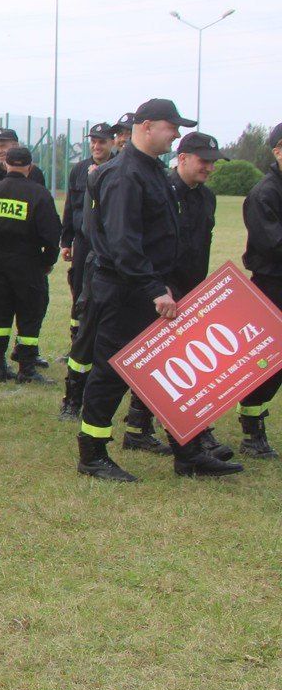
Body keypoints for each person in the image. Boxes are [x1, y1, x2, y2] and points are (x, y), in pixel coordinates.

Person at [74, 99, 240, 481]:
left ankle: (189, 452)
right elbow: (124, 243)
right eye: (172, 127)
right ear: (147, 126)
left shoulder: (151, 170)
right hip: (126, 291)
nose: (176, 134)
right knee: (111, 373)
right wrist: (155, 288)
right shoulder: (125, 175)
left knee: (169, 368)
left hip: (151, 287)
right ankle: (92, 454)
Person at [120, 131, 229, 456]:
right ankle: (145, 429)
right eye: (203, 161)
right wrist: (158, 286)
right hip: (162, 288)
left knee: (186, 361)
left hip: (192, 289)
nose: (209, 168)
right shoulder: (162, 190)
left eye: (213, 162)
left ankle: (177, 428)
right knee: (160, 360)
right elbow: (144, 242)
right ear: (182, 158)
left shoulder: (207, 197)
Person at [0, 146, 60, 383]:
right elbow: (52, 235)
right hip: (28, 265)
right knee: (30, 316)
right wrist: (46, 262)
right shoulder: (39, 194)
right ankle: (26, 369)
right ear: (30, 167)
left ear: (6, 164)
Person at [238, 123, 282, 460]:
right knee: (267, 359)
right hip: (272, 285)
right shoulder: (265, 193)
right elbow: (273, 243)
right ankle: (252, 431)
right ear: (277, 150)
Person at [60, 122, 115, 351]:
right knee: (78, 289)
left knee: (105, 291)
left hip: (108, 242)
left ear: (112, 142)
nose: (96, 146)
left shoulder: (118, 169)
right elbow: (70, 206)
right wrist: (66, 241)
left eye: (102, 141)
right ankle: (77, 342)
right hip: (83, 240)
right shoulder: (79, 169)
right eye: (93, 141)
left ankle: (101, 342)